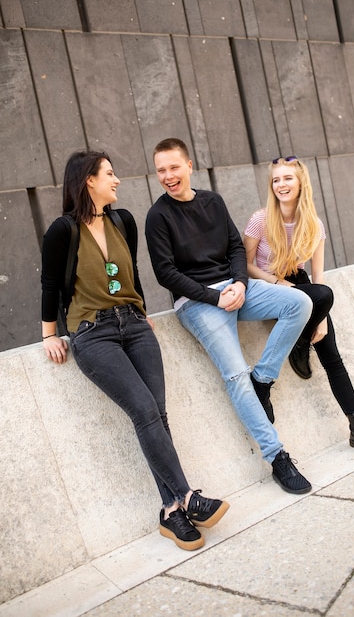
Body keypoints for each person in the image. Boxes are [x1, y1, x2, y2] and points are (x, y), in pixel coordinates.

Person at [41, 150, 229, 552]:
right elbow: (50, 283)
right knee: (144, 411)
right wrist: (48, 335)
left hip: (135, 325)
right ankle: (189, 496)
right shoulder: (62, 230)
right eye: (109, 173)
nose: (117, 180)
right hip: (93, 334)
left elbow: (132, 274)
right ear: (88, 180)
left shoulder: (123, 221)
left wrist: (141, 312)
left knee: (156, 414)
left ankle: (171, 511)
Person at [145, 137, 314, 496]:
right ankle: (277, 457)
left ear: (189, 166)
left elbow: (237, 247)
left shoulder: (213, 201)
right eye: (161, 170)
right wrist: (214, 296)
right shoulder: (157, 216)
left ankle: (264, 380)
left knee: (299, 303)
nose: (167, 176)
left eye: (174, 167)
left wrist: (238, 282)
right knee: (236, 374)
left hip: (235, 289)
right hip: (196, 302)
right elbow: (165, 272)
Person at [243, 156, 354, 458]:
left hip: (302, 283)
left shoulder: (313, 224)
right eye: (276, 180)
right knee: (316, 297)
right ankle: (300, 342)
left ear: (300, 182)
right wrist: (279, 284)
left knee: (332, 354)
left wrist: (321, 320)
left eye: (288, 178)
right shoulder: (261, 219)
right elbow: (246, 264)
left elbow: (319, 279)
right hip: (269, 283)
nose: (281, 184)